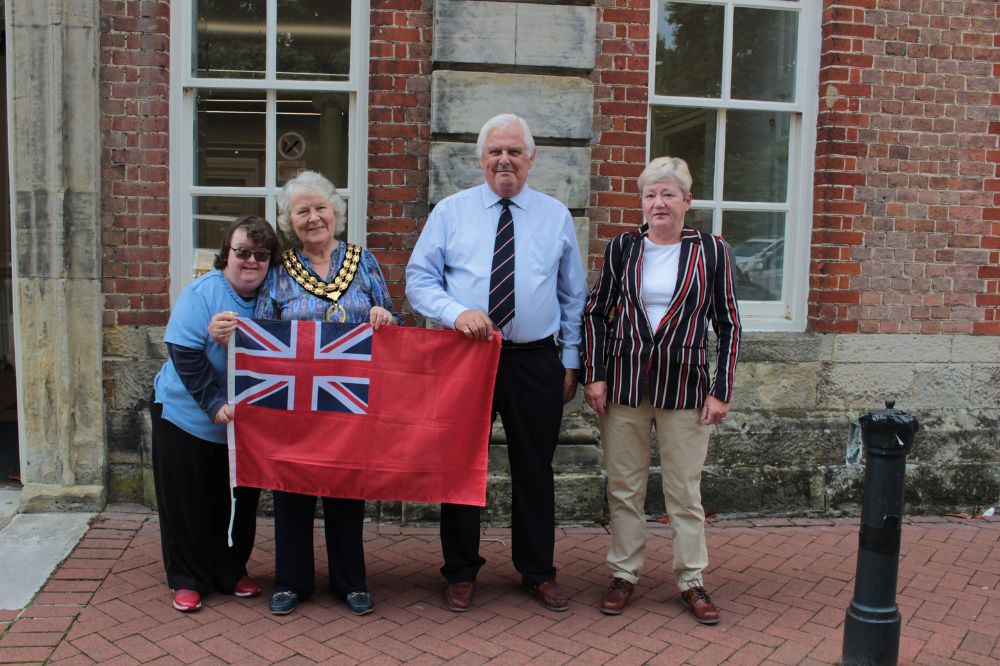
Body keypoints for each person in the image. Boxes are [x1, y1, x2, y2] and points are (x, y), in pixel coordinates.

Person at [406, 113, 588, 612]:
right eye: (494, 152)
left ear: (531, 159)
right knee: (462, 467)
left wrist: (570, 361)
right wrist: (456, 311)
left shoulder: (555, 216)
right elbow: (419, 280)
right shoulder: (450, 212)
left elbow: (574, 297)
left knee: (535, 468)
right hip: (465, 357)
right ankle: (460, 571)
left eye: (513, 151)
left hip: (534, 360)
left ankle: (537, 571)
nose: (503, 160)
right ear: (480, 159)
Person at [581, 156, 741, 624]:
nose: (658, 203)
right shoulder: (622, 249)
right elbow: (594, 312)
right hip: (625, 389)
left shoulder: (710, 251)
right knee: (624, 488)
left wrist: (721, 390)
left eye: (668, 194)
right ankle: (624, 573)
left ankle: (692, 579)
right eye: (650, 195)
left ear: (687, 201)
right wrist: (594, 373)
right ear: (642, 202)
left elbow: (729, 324)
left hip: (685, 390)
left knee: (684, 492)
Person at [251, 170, 397, 617]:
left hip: (349, 398)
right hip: (294, 403)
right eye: (303, 211)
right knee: (291, 490)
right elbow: (261, 333)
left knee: (346, 490)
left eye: (321, 207)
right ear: (288, 221)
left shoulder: (364, 261)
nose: (314, 218)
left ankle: (350, 580)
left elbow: (394, 319)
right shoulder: (278, 272)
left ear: (336, 211)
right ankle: (291, 581)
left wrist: (382, 315)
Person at [151, 215, 279, 612]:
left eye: (261, 255)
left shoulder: (276, 296)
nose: (251, 262)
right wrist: (212, 403)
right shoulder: (202, 293)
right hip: (185, 415)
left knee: (237, 500)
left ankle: (230, 569)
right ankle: (187, 578)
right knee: (187, 500)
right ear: (227, 255)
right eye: (242, 253)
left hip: (244, 423)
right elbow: (183, 353)